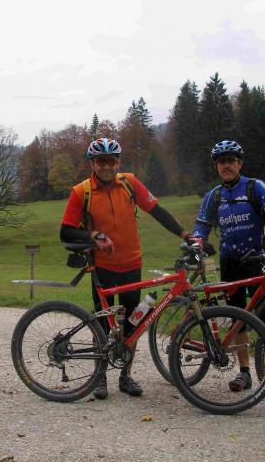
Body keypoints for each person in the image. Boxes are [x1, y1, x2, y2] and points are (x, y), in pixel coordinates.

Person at [60, 138, 190, 400]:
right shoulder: (82, 192)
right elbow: (66, 231)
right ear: (93, 163)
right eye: (101, 161)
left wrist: (185, 234)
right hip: (103, 267)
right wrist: (95, 235)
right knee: (102, 325)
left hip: (132, 264)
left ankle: (125, 375)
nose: (107, 166)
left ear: (118, 162)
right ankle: (100, 378)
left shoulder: (129, 183)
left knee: (133, 323)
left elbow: (157, 211)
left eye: (112, 160)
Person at [191, 140, 265, 402]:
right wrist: (198, 244)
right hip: (229, 262)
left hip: (258, 261)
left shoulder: (256, 187)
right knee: (237, 319)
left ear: (240, 164)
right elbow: (200, 227)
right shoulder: (214, 196)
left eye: (231, 161)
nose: (226, 165)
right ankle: (244, 372)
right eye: (222, 162)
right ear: (217, 166)